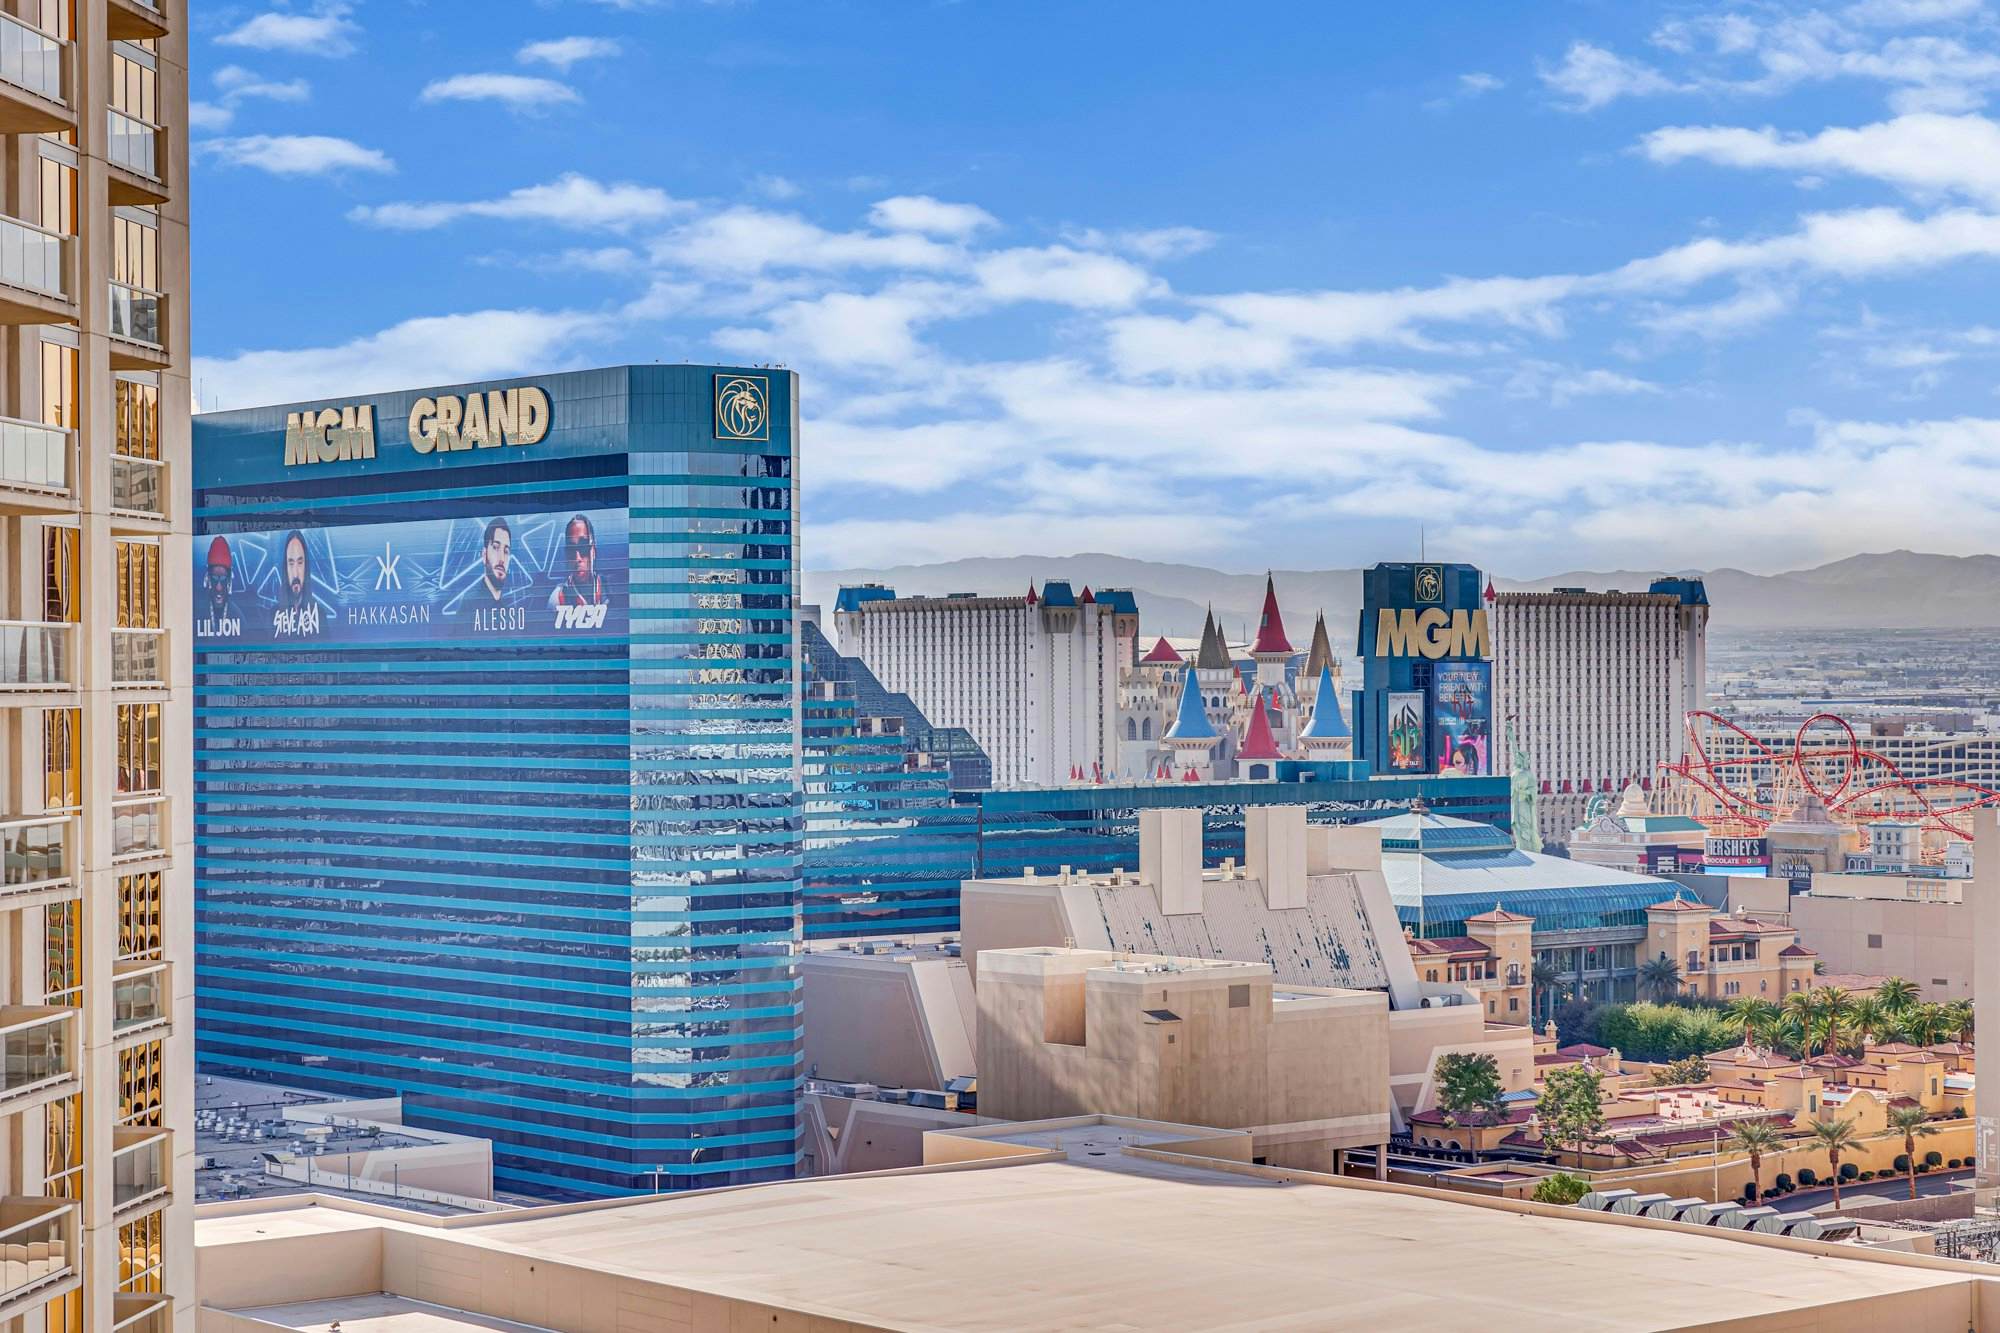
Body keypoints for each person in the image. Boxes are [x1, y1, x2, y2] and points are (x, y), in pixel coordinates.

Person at [549, 513, 607, 609]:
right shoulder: (558, 598)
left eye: (583, 547)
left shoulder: (610, 589)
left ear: (593, 550)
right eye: (571, 550)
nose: (577, 558)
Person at [272, 530, 322, 636]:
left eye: (300, 563)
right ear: (285, 568)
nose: (295, 574)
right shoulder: (273, 615)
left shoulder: (319, 614)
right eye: (290, 563)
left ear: (306, 566)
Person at [480, 517, 512, 602]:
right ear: (484, 555)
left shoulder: (507, 610)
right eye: (495, 547)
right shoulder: (468, 607)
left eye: (506, 551)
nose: (502, 559)